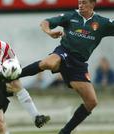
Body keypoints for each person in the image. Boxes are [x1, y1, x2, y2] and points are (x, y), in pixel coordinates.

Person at [16, 0, 114, 133]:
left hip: (78, 65)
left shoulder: (102, 23)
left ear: (93, 4)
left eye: (84, 2)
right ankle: (15, 74)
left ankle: (65, 132)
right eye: (79, 2)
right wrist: (49, 32)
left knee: (91, 102)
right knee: (49, 63)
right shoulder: (70, 16)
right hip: (64, 52)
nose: (80, 5)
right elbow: (45, 22)